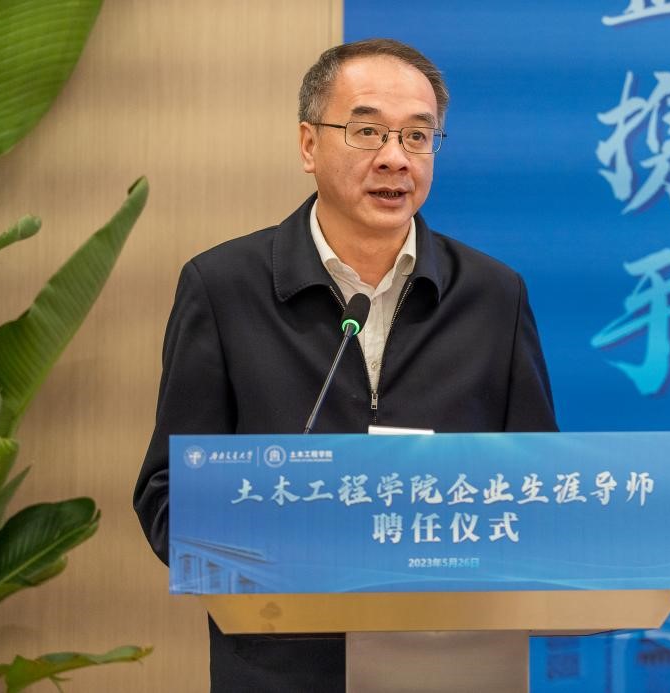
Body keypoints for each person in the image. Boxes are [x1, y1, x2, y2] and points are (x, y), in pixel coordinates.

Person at [134, 38, 557, 691]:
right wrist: (276, 560)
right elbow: (167, 494)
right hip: (284, 665)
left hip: (453, 664)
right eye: (367, 131)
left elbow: (539, 489)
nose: (395, 157)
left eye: (417, 136)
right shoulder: (223, 288)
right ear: (308, 144)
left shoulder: (494, 295)